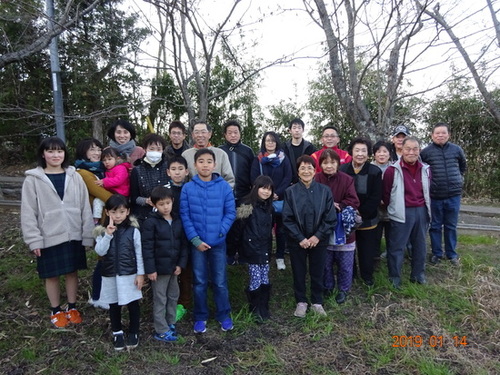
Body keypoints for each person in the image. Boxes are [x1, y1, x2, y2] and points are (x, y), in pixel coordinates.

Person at [21, 137, 94, 328]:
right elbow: (28, 212)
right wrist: (33, 240)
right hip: (48, 235)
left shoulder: (74, 176)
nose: (55, 155)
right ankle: (56, 309)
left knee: (72, 271)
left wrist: (87, 234)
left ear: (65, 154)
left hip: (73, 234)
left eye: (59, 151)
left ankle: (72, 306)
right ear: (43, 154)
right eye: (51, 151)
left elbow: (84, 207)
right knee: (51, 275)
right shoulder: (33, 180)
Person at [180, 148, 236, 334]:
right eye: (201, 161)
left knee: (220, 281)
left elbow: (230, 213)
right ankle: (200, 316)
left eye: (209, 161)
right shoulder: (188, 188)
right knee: (200, 281)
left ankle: (224, 315)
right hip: (198, 245)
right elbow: (185, 215)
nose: (205, 165)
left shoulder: (223, 187)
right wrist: (195, 240)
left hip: (218, 242)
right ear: (194, 165)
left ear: (215, 164)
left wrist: (220, 233)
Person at [282, 155, 336, 318]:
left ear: (315, 171)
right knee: (298, 271)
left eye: (310, 168)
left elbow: (330, 217)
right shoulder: (290, 192)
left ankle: (317, 301)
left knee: (317, 270)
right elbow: (287, 218)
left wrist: (317, 236)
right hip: (297, 241)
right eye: (303, 168)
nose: (306, 171)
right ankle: (301, 301)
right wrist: (300, 238)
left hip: (319, 240)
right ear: (298, 172)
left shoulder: (324, 191)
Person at [94, 194, 145, 350]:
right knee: (114, 304)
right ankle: (117, 332)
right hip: (110, 274)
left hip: (129, 274)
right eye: (114, 212)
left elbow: (139, 254)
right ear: (107, 212)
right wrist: (108, 235)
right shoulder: (102, 232)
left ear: (127, 212)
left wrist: (140, 274)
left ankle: (134, 332)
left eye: (122, 212)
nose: (118, 216)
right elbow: (100, 251)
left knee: (132, 304)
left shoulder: (133, 231)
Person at [142, 186, 188, 342]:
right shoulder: (150, 223)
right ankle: (161, 329)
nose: (165, 207)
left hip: (173, 267)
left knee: (173, 295)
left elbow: (183, 244)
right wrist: (151, 269)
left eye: (168, 203)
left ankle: (171, 322)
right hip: (159, 270)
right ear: (155, 205)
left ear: (173, 202)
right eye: (161, 204)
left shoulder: (177, 221)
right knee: (160, 298)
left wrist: (180, 264)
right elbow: (147, 247)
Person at [383, 136, 431, 288]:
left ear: (419, 150)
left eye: (415, 149)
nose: (411, 152)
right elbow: (386, 193)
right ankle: (394, 277)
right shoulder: (392, 170)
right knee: (397, 246)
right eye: (408, 149)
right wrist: (394, 208)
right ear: (401, 150)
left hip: (421, 211)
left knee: (420, 245)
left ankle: (418, 274)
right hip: (402, 211)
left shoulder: (426, 169)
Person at [315, 149, 360, 304]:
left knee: (345, 263)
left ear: (338, 164)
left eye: (332, 162)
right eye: (325, 163)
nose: (329, 166)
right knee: (325, 262)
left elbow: (354, 200)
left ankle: (343, 290)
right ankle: (328, 286)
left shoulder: (347, 179)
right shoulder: (316, 179)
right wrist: (328, 205)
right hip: (323, 227)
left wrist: (340, 205)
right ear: (320, 164)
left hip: (343, 228)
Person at [75, 138, 113, 309]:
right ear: (84, 152)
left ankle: (104, 295)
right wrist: (122, 202)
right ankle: (98, 296)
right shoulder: (83, 173)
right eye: (92, 150)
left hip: (107, 218)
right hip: (98, 221)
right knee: (102, 258)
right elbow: (102, 193)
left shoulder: (102, 170)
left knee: (107, 257)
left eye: (99, 149)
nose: (97, 153)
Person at [420, 123, 466, 266]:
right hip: (434, 196)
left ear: (448, 135)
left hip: (453, 194)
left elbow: (462, 166)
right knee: (435, 226)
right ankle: (437, 253)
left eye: (443, 133)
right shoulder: (426, 152)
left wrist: (458, 180)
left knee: (451, 226)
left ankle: (451, 254)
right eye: (437, 133)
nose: (440, 135)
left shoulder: (456, 150)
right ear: (432, 135)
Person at [340, 137, 382, 287]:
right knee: (347, 249)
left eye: (363, 150)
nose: (360, 154)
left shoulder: (374, 171)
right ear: (351, 151)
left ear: (368, 153)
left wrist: (361, 213)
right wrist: (349, 212)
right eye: (357, 150)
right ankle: (350, 274)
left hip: (368, 218)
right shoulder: (343, 169)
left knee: (366, 251)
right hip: (347, 217)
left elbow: (376, 197)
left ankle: (367, 275)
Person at [250, 131, 292, 270]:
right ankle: (264, 255)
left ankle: (280, 256)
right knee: (264, 229)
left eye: (273, 141)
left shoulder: (283, 158)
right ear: (263, 142)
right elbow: (254, 177)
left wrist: (277, 193)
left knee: (281, 230)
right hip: (263, 200)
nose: (270, 143)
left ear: (277, 142)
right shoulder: (258, 159)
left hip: (279, 199)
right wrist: (266, 193)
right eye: (267, 140)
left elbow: (288, 177)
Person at [235, 175, 275, 321]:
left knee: (265, 277)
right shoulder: (246, 204)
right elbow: (238, 228)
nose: (266, 192)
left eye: (269, 189)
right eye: (263, 188)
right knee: (255, 278)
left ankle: (264, 307)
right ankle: (254, 308)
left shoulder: (269, 207)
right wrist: (236, 249)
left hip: (265, 248)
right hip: (251, 248)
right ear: (256, 188)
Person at [219, 119, 255, 265]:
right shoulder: (219, 151)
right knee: (228, 225)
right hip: (224, 196)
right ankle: (229, 253)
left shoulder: (247, 151)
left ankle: (243, 254)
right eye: (230, 133)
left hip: (244, 196)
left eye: (236, 132)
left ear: (240, 134)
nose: (233, 135)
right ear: (225, 135)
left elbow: (253, 173)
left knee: (243, 225)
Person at [163, 155, 191, 321]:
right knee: (171, 271)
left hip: (187, 235)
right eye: (173, 169)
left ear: (186, 171)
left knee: (187, 271)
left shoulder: (190, 188)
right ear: (168, 172)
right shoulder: (164, 191)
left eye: (180, 169)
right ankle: (168, 303)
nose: (177, 172)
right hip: (169, 237)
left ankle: (185, 303)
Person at [130, 133, 169, 225]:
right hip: (144, 217)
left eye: (159, 149)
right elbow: (133, 198)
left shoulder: (168, 167)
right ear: (145, 149)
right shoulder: (137, 170)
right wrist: (146, 201)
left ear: (163, 150)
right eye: (151, 149)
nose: (155, 152)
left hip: (165, 215)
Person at [182, 121, 235, 188]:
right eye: (197, 132)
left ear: (209, 134)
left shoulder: (221, 154)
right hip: (194, 196)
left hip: (217, 195)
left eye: (203, 132)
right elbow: (183, 180)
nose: (200, 135)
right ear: (193, 135)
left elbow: (229, 180)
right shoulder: (186, 155)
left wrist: (221, 194)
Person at [92, 147, 131, 221]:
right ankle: (96, 219)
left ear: (117, 159)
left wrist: (104, 182)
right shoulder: (108, 170)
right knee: (97, 201)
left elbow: (119, 180)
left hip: (121, 195)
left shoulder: (121, 168)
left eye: (109, 159)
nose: (106, 162)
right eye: (104, 160)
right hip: (113, 194)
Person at [371, 140, 393, 259]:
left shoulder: (395, 168)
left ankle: (390, 254)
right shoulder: (370, 167)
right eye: (378, 152)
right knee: (375, 234)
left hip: (391, 208)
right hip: (375, 209)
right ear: (374, 154)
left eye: (385, 151)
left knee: (391, 234)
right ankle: (375, 256)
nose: (382, 154)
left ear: (389, 154)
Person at [283, 117, 316, 184]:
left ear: (303, 130)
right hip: (288, 184)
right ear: (290, 130)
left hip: (306, 182)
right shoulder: (284, 148)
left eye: (299, 128)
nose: (297, 130)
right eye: (294, 128)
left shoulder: (310, 147)